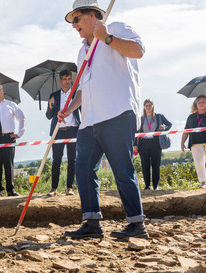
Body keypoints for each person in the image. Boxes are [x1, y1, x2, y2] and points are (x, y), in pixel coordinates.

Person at [61, 0, 148, 239]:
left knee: (122, 168)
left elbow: (138, 51)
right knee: (83, 169)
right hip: (89, 120)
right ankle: (91, 221)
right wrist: (70, 108)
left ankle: (137, 224)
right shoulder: (82, 51)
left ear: (92, 16)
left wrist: (107, 37)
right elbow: (83, 89)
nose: (74, 26)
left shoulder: (117, 28)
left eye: (76, 19)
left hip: (118, 112)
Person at [46, 69, 80, 197]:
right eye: (64, 79)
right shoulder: (53, 95)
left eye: (69, 79)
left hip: (73, 130)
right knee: (56, 160)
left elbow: (83, 110)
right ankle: (53, 188)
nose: (67, 82)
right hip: (58, 131)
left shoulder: (77, 94)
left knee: (72, 159)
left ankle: (69, 188)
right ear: (60, 80)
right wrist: (50, 106)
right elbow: (49, 116)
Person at [134, 98, 172, 190]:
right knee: (145, 165)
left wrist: (164, 127)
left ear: (153, 106)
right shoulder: (141, 118)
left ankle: (155, 186)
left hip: (156, 143)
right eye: (146, 105)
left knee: (156, 165)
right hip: (143, 144)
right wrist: (134, 144)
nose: (148, 107)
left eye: (150, 105)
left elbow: (169, 124)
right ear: (144, 107)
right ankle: (147, 186)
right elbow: (136, 132)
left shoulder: (159, 116)